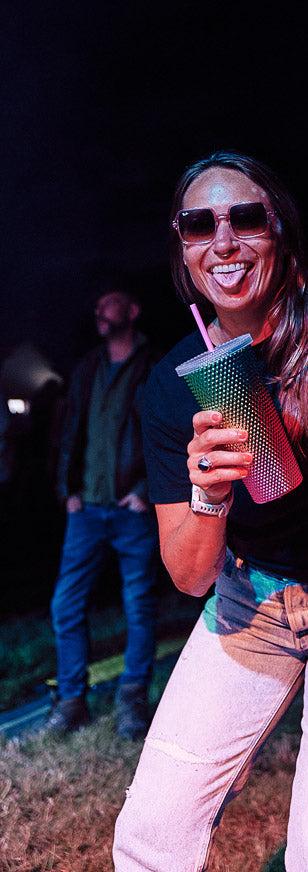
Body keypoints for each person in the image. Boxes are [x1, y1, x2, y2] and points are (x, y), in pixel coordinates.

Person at [113, 151, 308, 872]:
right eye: (200, 225)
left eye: (245, 218)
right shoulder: (173, 387)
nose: (223, 242)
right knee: (151, 829)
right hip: (250, 596)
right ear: (182, 247)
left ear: (279, 228)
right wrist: (210, 492)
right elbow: (189, 576)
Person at [47, 287, 160, 738]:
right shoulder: (87, 366)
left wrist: (147, 490)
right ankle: (71, 701)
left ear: (132, 309)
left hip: (133, 510)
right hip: (87, 509)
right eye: (97, 304)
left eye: (109, 302)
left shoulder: (153, 364)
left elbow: (167, 432)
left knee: (139, 606)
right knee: (66, 604)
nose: (99, 309)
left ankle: (132, 700)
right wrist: (66, 490)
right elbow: (68, 430)